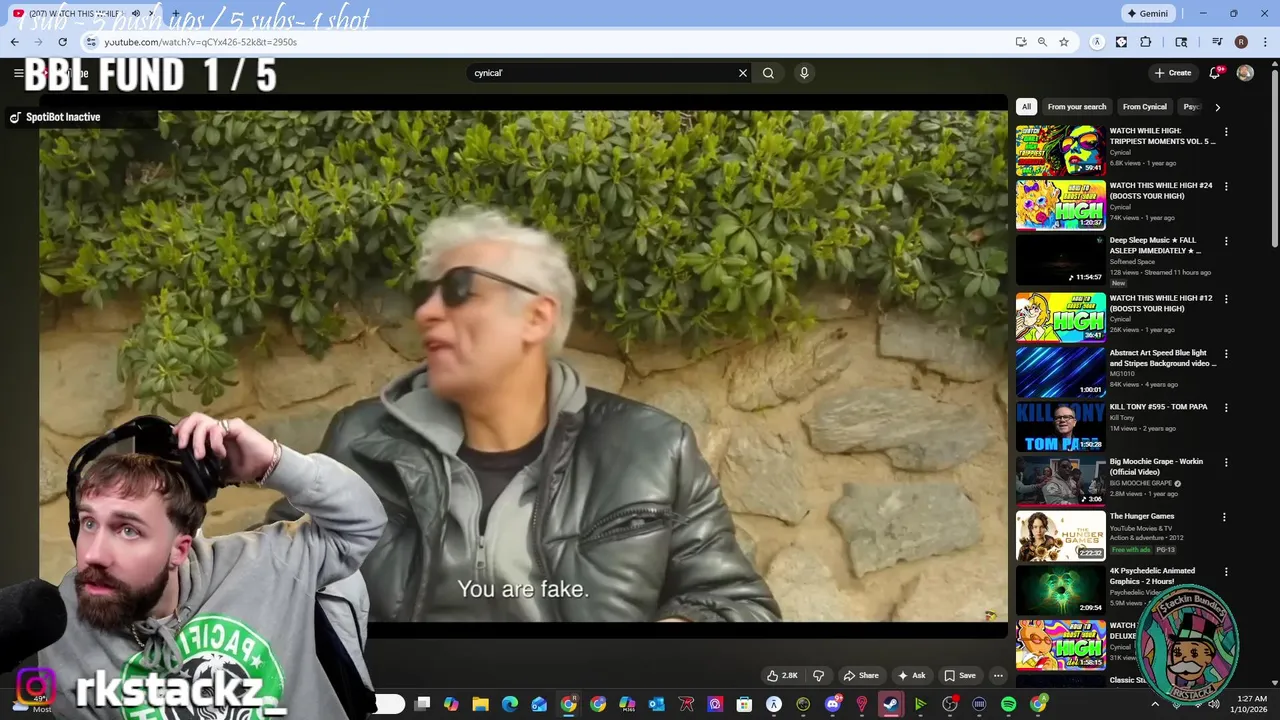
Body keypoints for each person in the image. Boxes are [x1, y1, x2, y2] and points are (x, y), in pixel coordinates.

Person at [269, 207, 780, 622]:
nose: (427, 312)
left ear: (536, 316)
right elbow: (275, 584)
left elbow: (737, 607)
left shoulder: (653, 450)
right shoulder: (360, 441)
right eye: (425, 295)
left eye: (460, 289)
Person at [40, 413, 387, 719]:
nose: (94, 555)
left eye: (128, 530)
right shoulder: (63, 626)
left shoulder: (266, 564)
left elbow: (363, 523)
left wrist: (271, 463)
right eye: (88, 523)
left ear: (179, 550)